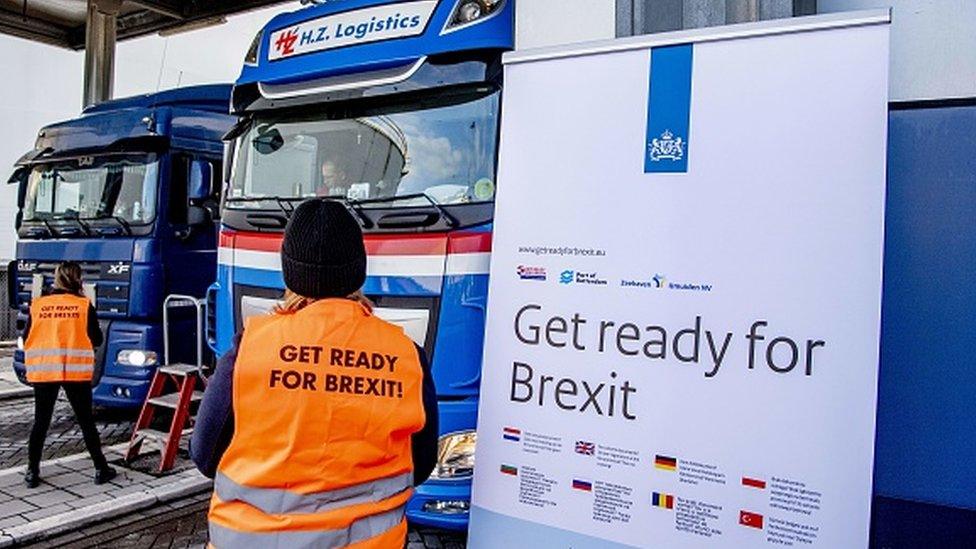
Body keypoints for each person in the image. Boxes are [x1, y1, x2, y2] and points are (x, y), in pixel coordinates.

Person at [191, 199, 438, 548]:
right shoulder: (406, 355)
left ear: (290, 271)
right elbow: (422, 463)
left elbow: (204, 454)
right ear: (358, 271)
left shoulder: (250, 348)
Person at [21, 261, 116, 488]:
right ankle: (100, 469)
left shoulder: (38, 305)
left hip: (45, 369)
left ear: (57, 279)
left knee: (41, 422)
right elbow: (97, 339)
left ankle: (32, 471)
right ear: (78, 280)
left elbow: (26, 337)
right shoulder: (83, 306)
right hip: (75, 372)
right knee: (86, 421)